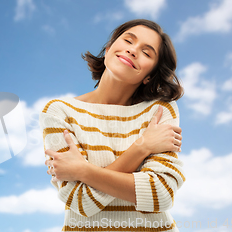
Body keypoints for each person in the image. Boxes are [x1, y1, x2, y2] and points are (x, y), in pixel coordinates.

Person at [39, 19, 185, 232]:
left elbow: (160, 194)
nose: (133, 50)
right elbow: (81, 202)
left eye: (147, 53)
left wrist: (83, 171)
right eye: (128, 40)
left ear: (149, 76)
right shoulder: (59, 111)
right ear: (108, 50)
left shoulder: (160, 110)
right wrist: (142, 147)